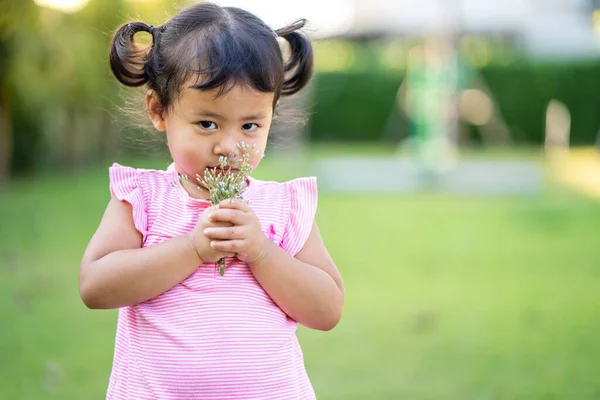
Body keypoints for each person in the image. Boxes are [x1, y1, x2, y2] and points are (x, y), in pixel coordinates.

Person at [78, 3, 344, 399]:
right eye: (207, 124)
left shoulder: (282, 206)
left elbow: (327, 310)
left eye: (250, 125)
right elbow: (96, 286)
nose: (228, 146)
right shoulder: (143, 199)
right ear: (159, 110)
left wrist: (262, 253)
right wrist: (192, 248)